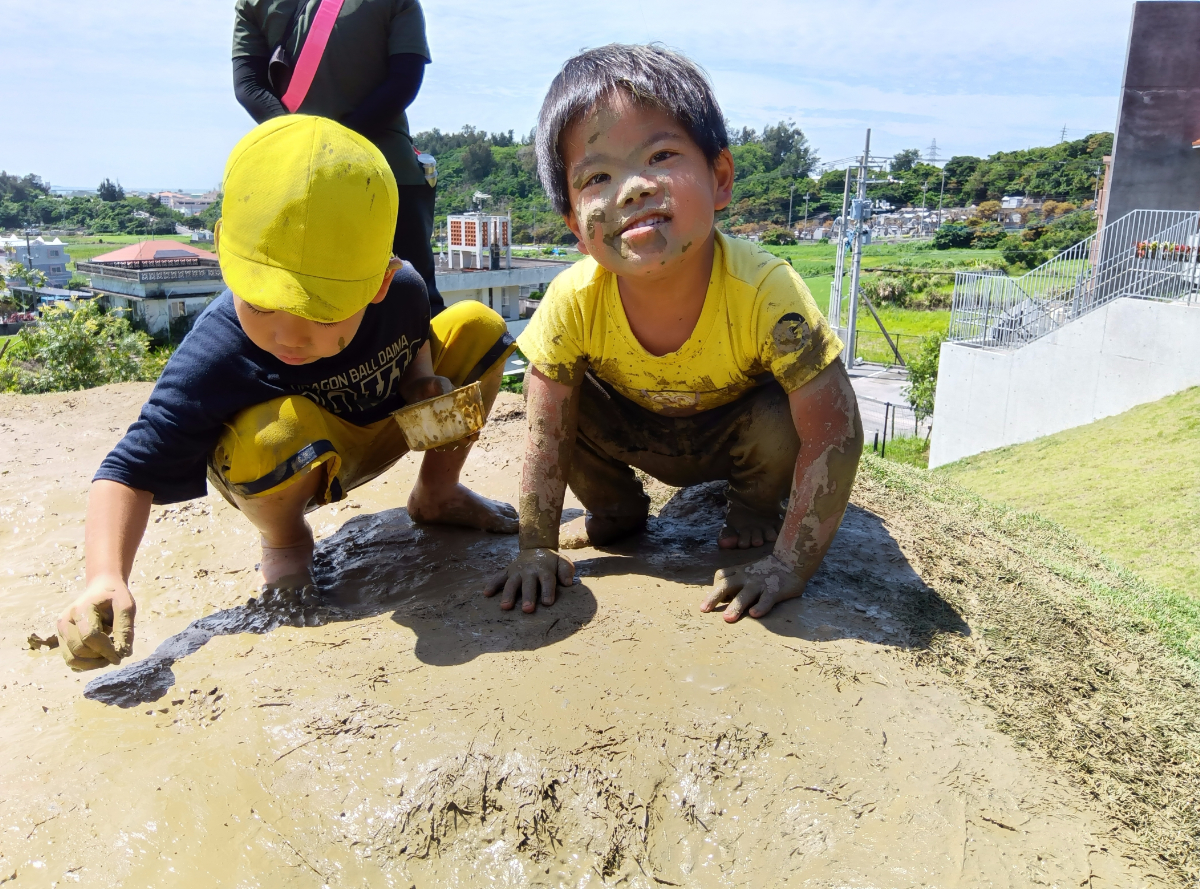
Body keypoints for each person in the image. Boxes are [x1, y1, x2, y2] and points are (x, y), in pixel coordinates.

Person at [55, 116, 516, 671]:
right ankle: (286, 542)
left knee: (478, 326)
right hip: (295, 461)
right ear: (225, 253)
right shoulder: (219, 348)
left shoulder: (406, 286)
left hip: (386, 427)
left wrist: (421, 378)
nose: (291, 336)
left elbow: (417, 329)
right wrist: (105, 578)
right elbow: (129, 468)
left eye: (323, 310)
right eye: (262, 302)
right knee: (271, 431)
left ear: (378, 282)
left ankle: (437, 493)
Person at [484, 45, 863, 622]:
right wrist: (536, 546)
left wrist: (790, 564)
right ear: (575, 229)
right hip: (630, 430)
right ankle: (615, 510)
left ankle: (753, 506)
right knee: (563, 405)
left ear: (720, 178)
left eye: (660, 155)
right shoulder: (571, 301)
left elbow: (836, 429)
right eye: (598, 176)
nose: (632, 188)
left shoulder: (767, 291)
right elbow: (543, 434)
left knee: (780, 416)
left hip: (736, 432)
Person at [231, 0, 445, 313]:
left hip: (298, 177)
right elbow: (404, 81)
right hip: (385, 171)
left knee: (307, 304)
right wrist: (341, 141)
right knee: (413, 301)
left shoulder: (254, 3)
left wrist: (307, 142)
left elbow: (248, 85)